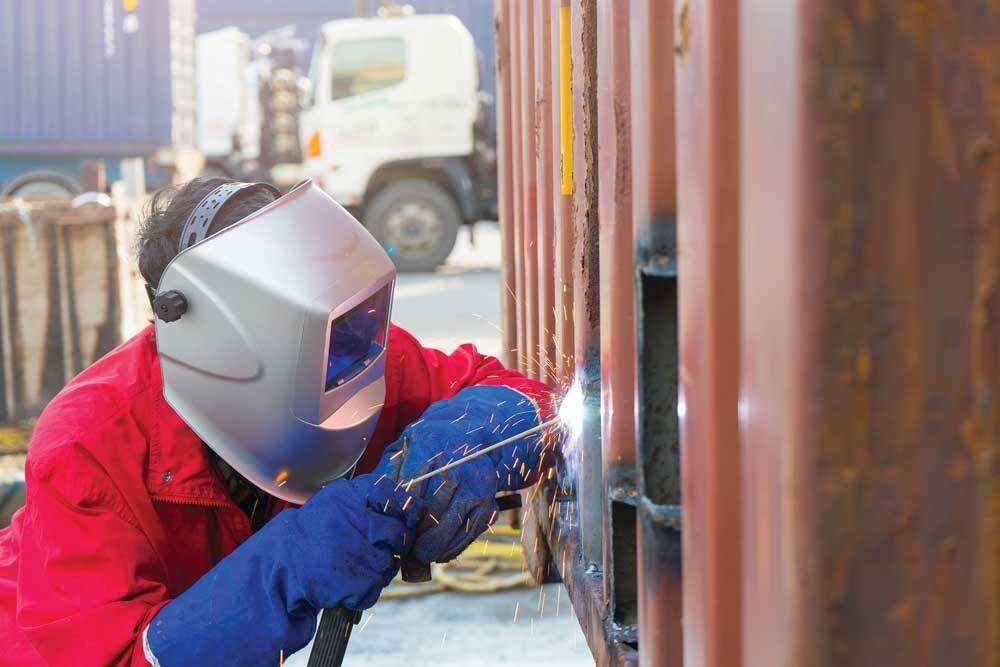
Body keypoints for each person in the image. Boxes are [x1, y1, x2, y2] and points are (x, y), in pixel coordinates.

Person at [0, 179, 556, 666]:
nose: (352, 362)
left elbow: (517, 393)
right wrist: (285, 569)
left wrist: (485, 432)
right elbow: (119, 659)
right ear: (233, 338)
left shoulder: (338, 351)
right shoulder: (86, 447)